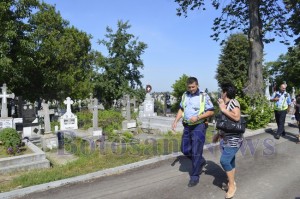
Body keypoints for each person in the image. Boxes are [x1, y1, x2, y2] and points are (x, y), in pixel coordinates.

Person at [172, 77, 214, 187]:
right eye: (189, 87)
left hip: (199, 126)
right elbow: (181, 109)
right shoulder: (185, 95)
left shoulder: (203, 96)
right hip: (187, 126)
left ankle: (195, 176)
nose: (191, 89)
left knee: (196, 151)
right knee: (184, 149)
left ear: (197, 85)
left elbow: (211, 112)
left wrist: (198, 117)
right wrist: (176, 121)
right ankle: (200, 160)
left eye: (193, 87)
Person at [212, 83, 243, 199]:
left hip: (234, 139)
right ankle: (232, 181)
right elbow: (223, 123)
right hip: (225, 138)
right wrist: (217, 134)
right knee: (230, 160)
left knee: (224, 160)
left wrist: (223, 109)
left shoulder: (233, 102)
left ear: (225, 92)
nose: (220, 93)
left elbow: (236, 117)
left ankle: (231, 186)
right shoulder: (224, 104)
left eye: (221, 91)